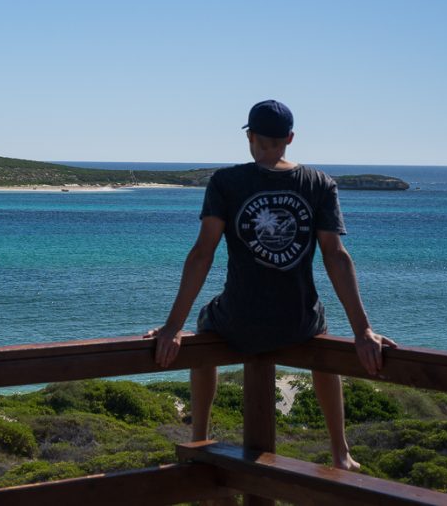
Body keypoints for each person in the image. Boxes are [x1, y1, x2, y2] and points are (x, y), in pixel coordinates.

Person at [147, 99, 396, 471]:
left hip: (239, 323)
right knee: (322, 328)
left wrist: (171, 328)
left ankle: (198, 435)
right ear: (290, 138)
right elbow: (336, 256)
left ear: (250, 137)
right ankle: (340, 451)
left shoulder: (226, 182)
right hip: (298, 324)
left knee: (202, 323)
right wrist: (363, 330)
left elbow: (202, 254)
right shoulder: (319, 183)